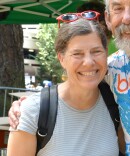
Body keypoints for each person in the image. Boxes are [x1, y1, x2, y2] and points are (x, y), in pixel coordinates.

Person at [9, 0, 130, 155]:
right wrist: (30, 106)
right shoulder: (110, 67)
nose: (127, 18)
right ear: (108, 18)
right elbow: (78, 79)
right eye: (118, 8)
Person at [7, 16, 120, 155]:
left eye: (96, 51)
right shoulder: (32, 112)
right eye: (77, 54)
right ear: (61, 58)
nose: (89, 62)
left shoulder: (117, 101)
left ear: (106, 53)